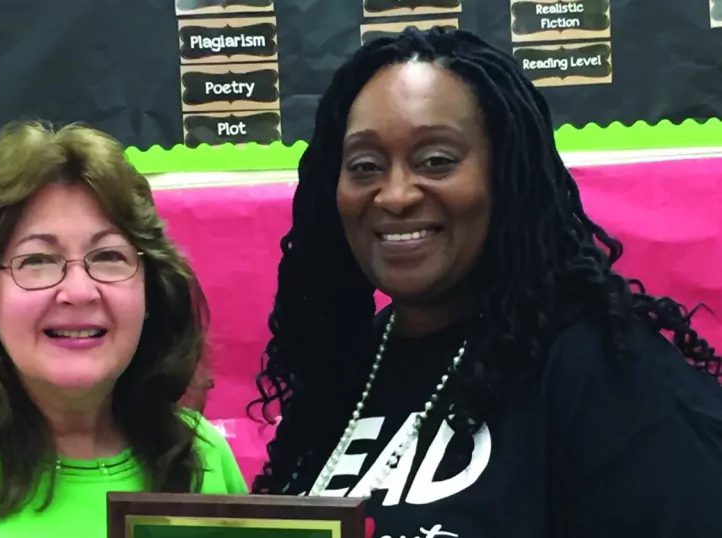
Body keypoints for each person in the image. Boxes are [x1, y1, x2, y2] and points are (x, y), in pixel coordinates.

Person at [250, 27, 722, 537]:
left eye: (436, 161)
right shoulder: (345, 373)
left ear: (505, 175)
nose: (395, 195)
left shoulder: (606, 374)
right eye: (365, 166)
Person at [0, 121, 247, 537]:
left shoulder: (202, 460)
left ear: (150, 291)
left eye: (108, 256)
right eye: (37, 261)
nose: (79, 291)